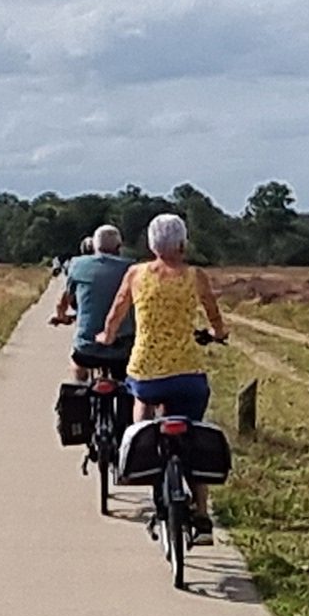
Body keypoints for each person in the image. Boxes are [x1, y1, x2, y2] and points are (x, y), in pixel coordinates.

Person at [98, 213, 226, 526]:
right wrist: (218, 333)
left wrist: (107, 336)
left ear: (151, 244)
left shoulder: (136, 274)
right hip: (188, 375)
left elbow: (116, 313)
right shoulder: (195, 276)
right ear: (182, 243)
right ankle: (201, 512)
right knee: (193, 434)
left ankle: (140, 457)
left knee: (142, 401)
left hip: (146, 371)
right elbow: (214, 315)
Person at [51, 226, 132, 380]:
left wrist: (61, 316)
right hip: (122, 349)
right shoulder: (131, 268)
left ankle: (79, 383)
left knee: (78, 362)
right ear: (119, 247)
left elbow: (64, 301)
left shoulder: (77, 264)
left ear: (94, 246)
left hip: (88, 348)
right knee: (127, 380)